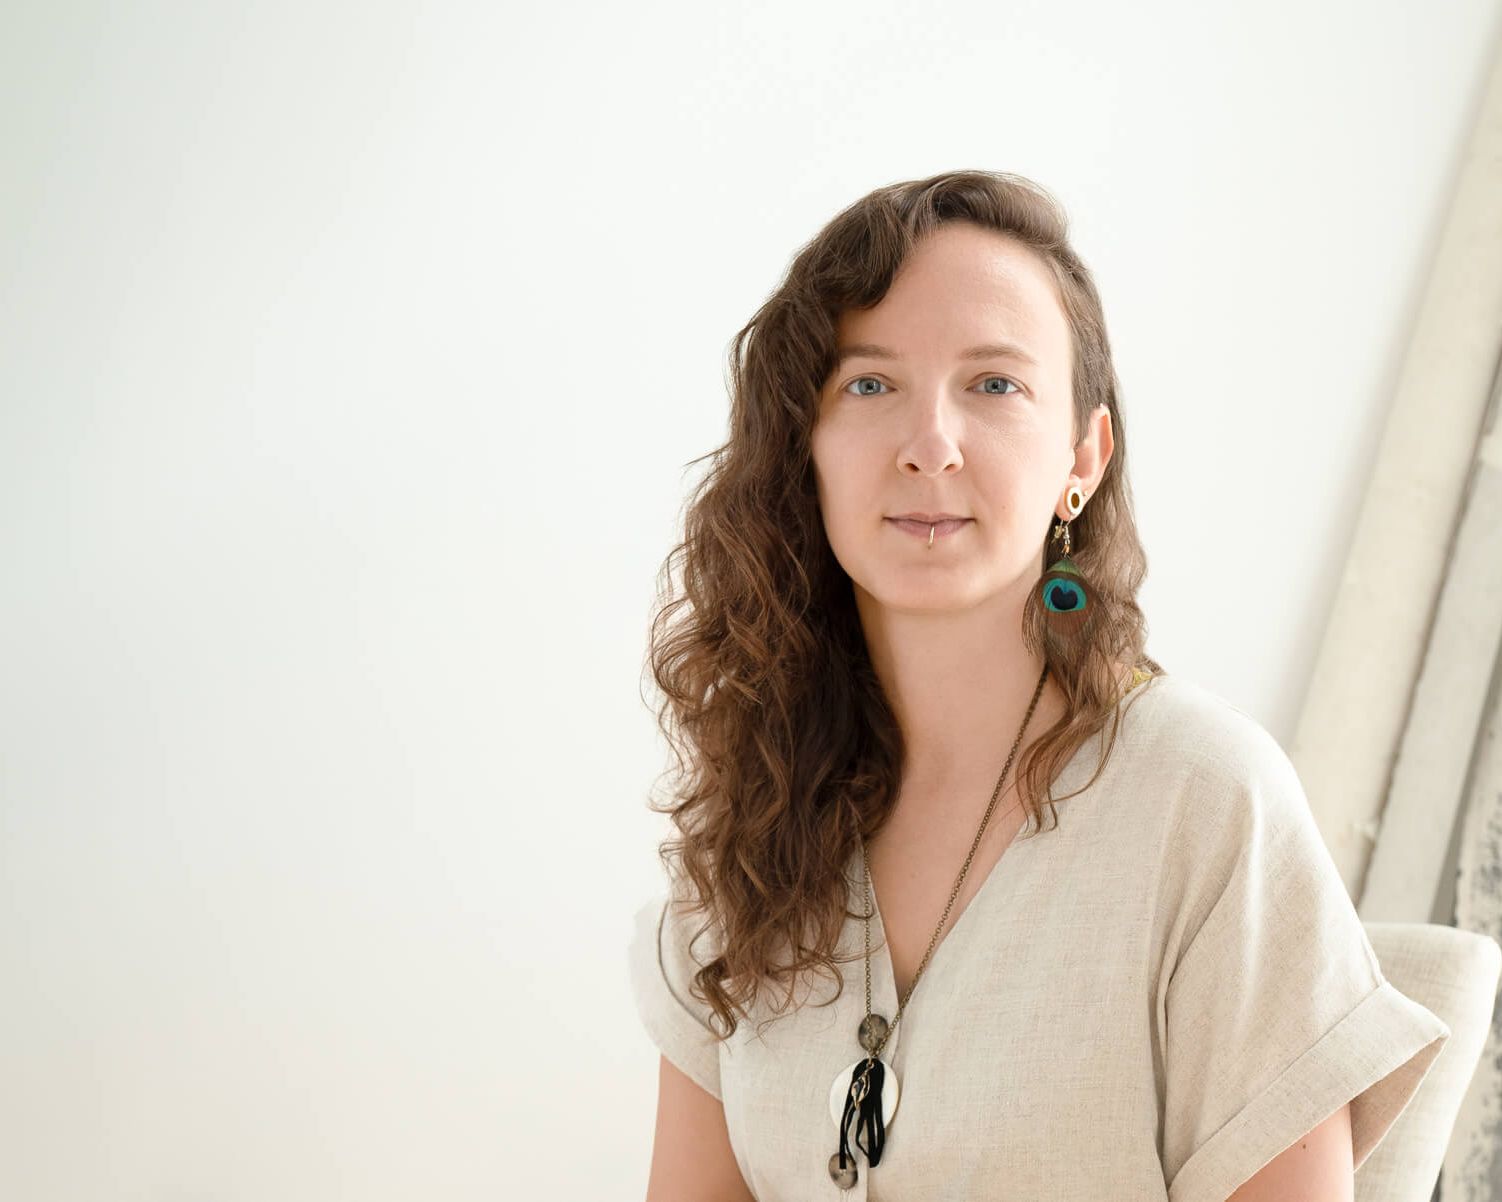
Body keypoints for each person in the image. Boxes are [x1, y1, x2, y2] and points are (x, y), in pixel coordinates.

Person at [625, 169, 1449, 1201]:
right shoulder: (750, 813)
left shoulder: (1202, 798)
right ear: (807, 446)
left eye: (993, 384)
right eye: (869, 385)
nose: (929, 445)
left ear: (1082, 457)